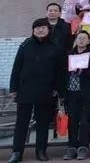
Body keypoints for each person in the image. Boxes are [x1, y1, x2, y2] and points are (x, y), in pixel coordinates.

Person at [9, 19, 66, 163]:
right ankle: (17, 152)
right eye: (37, 28)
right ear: (33, 30)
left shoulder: (55, 47)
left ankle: (41, 151)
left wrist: (58, 89)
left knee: (42, 123)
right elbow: (16, 67)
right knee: (22, 123)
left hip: (46, 90)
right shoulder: (25, 45)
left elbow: (60, 71)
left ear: (48, 30)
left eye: (43, 28)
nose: (40, 30)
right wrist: (13, 88)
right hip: (25, 90)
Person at [63, 31, 90, 161]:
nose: (81, 40)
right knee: (72, 121)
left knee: (85, 121)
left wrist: (82, 70)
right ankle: (71, 147)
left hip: (87, 93)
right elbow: (62, 73)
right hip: (71, 92)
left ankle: (83, 147)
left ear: (88, 41)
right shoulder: (69, 55)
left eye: (84, 38)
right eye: (79, 38)